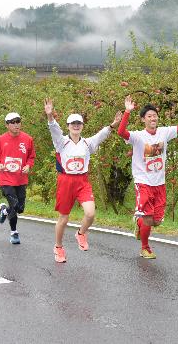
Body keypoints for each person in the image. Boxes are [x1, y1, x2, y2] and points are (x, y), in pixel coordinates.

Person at [117, 95, 178, 259]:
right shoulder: (138, 136)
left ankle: (138, 223)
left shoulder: (164, 132)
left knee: (156, 221)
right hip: (143, 182)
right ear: (143, 119)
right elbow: (121, 132)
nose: (153, 118)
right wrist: (127, 111)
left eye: (155, 115)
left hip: (159, 183)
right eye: (149, 116)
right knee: (148, 218)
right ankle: (145, 248)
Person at [44, 98, 122, 262]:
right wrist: (50, 115)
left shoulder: (87, 143)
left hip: (82, 181)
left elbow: (101, 135)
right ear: (68, 126)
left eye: (79, 123)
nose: (76, 126)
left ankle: (81, 234)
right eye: (73, 123)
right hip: (66, 181)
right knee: (64, 218)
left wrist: (114, 124)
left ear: (82, 126)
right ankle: (58, 247)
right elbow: (54, 128)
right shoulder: (61, 142)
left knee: (90, 213)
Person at [0, 112, 36, 244]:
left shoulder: (28, 139)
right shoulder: (0, 140)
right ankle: (14, 233)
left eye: (18, 121)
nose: (16, 125)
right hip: (6, 178)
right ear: (7, 125)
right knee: (14, 205)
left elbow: (31, 156)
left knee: (20, 208)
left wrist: (28, 166)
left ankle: (4, 211)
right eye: (13, 122)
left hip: (21, 179)